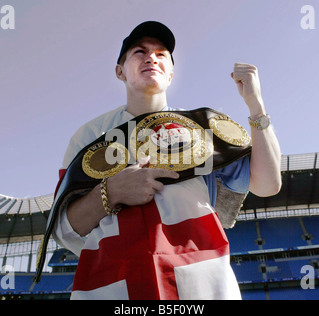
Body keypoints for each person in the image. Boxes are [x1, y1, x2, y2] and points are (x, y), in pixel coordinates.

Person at [52, 21, 281, 300]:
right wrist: (110, 193)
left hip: (203, 282)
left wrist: (256, 105)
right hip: (113, 287)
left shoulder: (202, 130)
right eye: (140, 51)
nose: (152, 57)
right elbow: (64, 229)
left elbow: (268, 184)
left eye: (162, 54)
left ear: (171, 73)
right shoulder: (89, 136)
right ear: (119, 71)